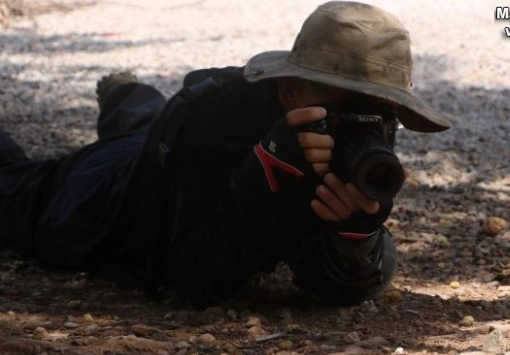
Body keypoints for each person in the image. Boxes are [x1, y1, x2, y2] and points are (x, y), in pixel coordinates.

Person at [0, 1, 450, 308]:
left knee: (144, 126)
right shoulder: (214, 114)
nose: (362, 123)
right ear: (289, 91)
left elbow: (332, 280)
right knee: (17, 184)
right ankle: (129, 99)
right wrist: (267, 169)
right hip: (109, 193)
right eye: (345, 106)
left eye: (380, 110)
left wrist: (358, 231)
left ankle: (127, 94)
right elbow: (194, 279)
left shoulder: (360, 140)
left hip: (160, 147)